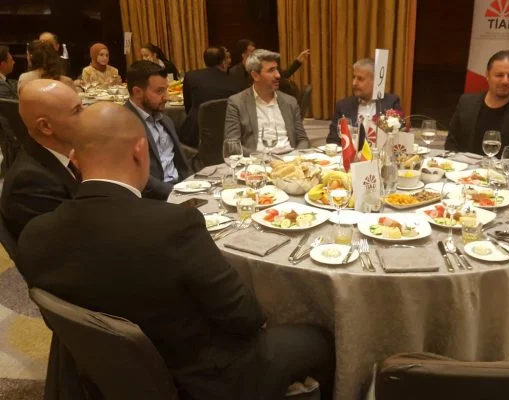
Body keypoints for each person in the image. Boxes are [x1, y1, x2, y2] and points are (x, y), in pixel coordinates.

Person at [15, 101, 335, 400]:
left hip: (105, 377)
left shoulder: (34, 236)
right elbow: (245, 318)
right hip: (203, 380)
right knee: (322, 338)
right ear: (140, 151)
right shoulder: (174, 225)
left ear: (74, 160)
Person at [0, 79, 82, 240]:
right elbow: (73, 240)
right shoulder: (31, 182)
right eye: (77, 111)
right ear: (45, 127)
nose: (87, 116)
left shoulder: (61, 154)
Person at [445, 50, 509, 166]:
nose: (505, 81)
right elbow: (451, 144)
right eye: (499, 75)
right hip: (462, 172)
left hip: (501, 175)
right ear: (487, 75)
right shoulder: (466, 103)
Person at [124, 60, 191, 200]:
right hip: (155, 199)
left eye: (166, 89)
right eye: (160, 91)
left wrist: (193, 185)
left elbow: (180, 162)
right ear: (137, 92)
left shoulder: (164, 119)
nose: (167, 97)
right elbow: (135, 175)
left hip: (182, 188)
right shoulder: (123, 124)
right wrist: (176, 192)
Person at [224, 49, 310, 155]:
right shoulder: (237, 102)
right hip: (257, 161)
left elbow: (303, 140)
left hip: (289, 159)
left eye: (276, 69)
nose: (278, 75)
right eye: (271, 70)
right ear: (255, 75)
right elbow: (232, 144)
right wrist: (261, 158)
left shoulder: (290, 102)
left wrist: (296, 156)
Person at [326, 58, 402, 145]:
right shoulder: (343, 106)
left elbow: (399, 139)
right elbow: (332, 141)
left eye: (360, 79)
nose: (354, 83)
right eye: (354, 77)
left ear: (375, 81)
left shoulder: (390, 103)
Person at [178, 46, 241, 147]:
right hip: (227, 135)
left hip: (194, 135)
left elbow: (188, 107)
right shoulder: (235, 82)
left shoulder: (191, 77)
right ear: (223, 62)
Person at [228, 39, 309, 96]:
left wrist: (298, 62)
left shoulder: (263, 65)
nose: (255, 53)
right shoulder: (235, 72)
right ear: (243, 54)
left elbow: (283, 75)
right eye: (252, 51)